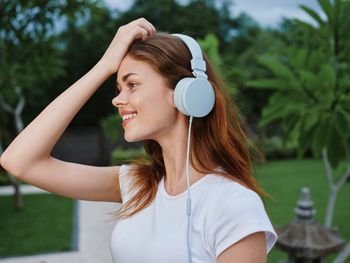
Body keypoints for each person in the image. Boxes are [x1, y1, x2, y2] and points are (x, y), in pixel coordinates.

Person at [0, 18, 277, 262]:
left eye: (132, 85)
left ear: (185, 93)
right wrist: (103, 66)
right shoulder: (138, 183)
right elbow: (19, 161)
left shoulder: (234, 205)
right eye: (119, 87)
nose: (117, 99)